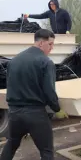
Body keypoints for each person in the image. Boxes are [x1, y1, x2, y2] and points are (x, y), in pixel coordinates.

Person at [0, 29, 68, 160]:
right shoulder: (46, 62)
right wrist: (57, 109)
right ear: (41, 43)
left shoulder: (14, 61)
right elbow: (49, 91)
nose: (52, 48)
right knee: (46, 151)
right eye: (50, 44)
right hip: (35, 114)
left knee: (12, 144)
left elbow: (10, 85)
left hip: (14, 113)